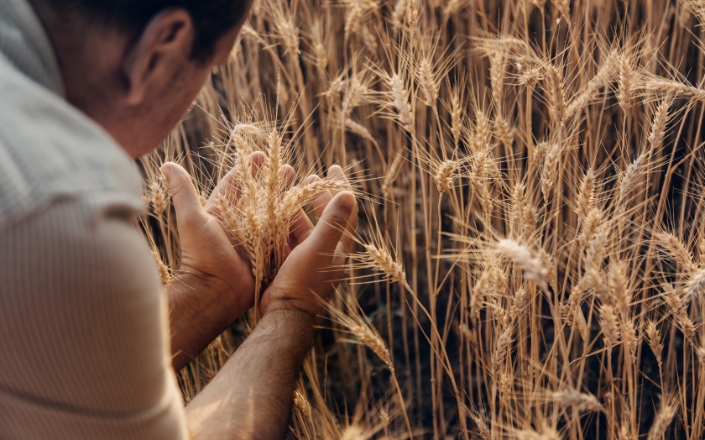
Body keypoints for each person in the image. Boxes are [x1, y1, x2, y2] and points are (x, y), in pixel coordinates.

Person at [0, 0, 358, 438]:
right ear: (161, 48)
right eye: (213, 65)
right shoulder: (59, 212)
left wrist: (207, 289)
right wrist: (294, 310)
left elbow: (43, 373)